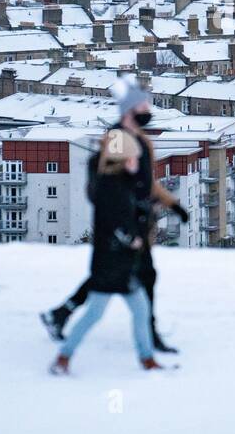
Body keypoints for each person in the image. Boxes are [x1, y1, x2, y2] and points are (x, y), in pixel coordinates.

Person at [41, 75, 189, 351]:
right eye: (143, 107)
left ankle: (60, 314)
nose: (148, 112)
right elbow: (113, 182)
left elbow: (147, 181)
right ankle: (149, 334)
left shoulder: (141, 141)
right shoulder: (118, 140)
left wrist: (172, 204)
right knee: (134, 274)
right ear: (129, 110)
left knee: (121, 273)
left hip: (137, 221)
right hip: (121, 222)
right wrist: (124, 222)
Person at [51, 129, 159, 375]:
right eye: (133, 158)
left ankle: (147, 358)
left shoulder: (124, 185)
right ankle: (63, 357)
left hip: (123, 265)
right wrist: (131, 239)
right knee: (94, 315)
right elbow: (113, 222)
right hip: (108, 265)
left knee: (141, 311)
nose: (136, 163)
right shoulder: (110, 187)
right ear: (122, 160)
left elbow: (130, 216)